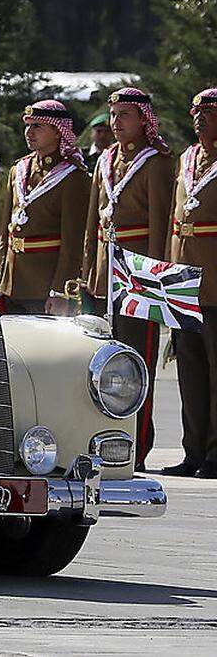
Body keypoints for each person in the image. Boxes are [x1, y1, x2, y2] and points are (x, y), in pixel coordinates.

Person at [80, 87, 175, 471]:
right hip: (105, 274)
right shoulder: (105, 160)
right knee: (101, 362)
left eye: (125, 116)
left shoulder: (156, 162)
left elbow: (159, 225)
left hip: (138, 275)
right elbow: (92, 220)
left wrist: (153, 278)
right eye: (113, 115)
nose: (116, 123)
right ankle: (102, 442)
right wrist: (88, 271)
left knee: (138, 360)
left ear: (143, 120)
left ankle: (138, 446)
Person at [164, 88, 217, 478]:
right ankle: (193, 451)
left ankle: (216, 454)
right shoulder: (186, 159)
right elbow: (172, 221)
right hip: (185, 284)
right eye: (195, 111)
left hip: (216, 281)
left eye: (209, 112)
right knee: (191, 373)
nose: (199, 117)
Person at [0, 100, 91, 315]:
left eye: (37, 126)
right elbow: (6, 229)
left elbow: (73, 244)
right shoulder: (19, 170)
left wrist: (60, 292)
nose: (29, 132)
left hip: (44, 286)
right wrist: (1, 275)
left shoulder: (73, 177)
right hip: (12, 282)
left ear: (58, 131)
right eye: (27, 126)